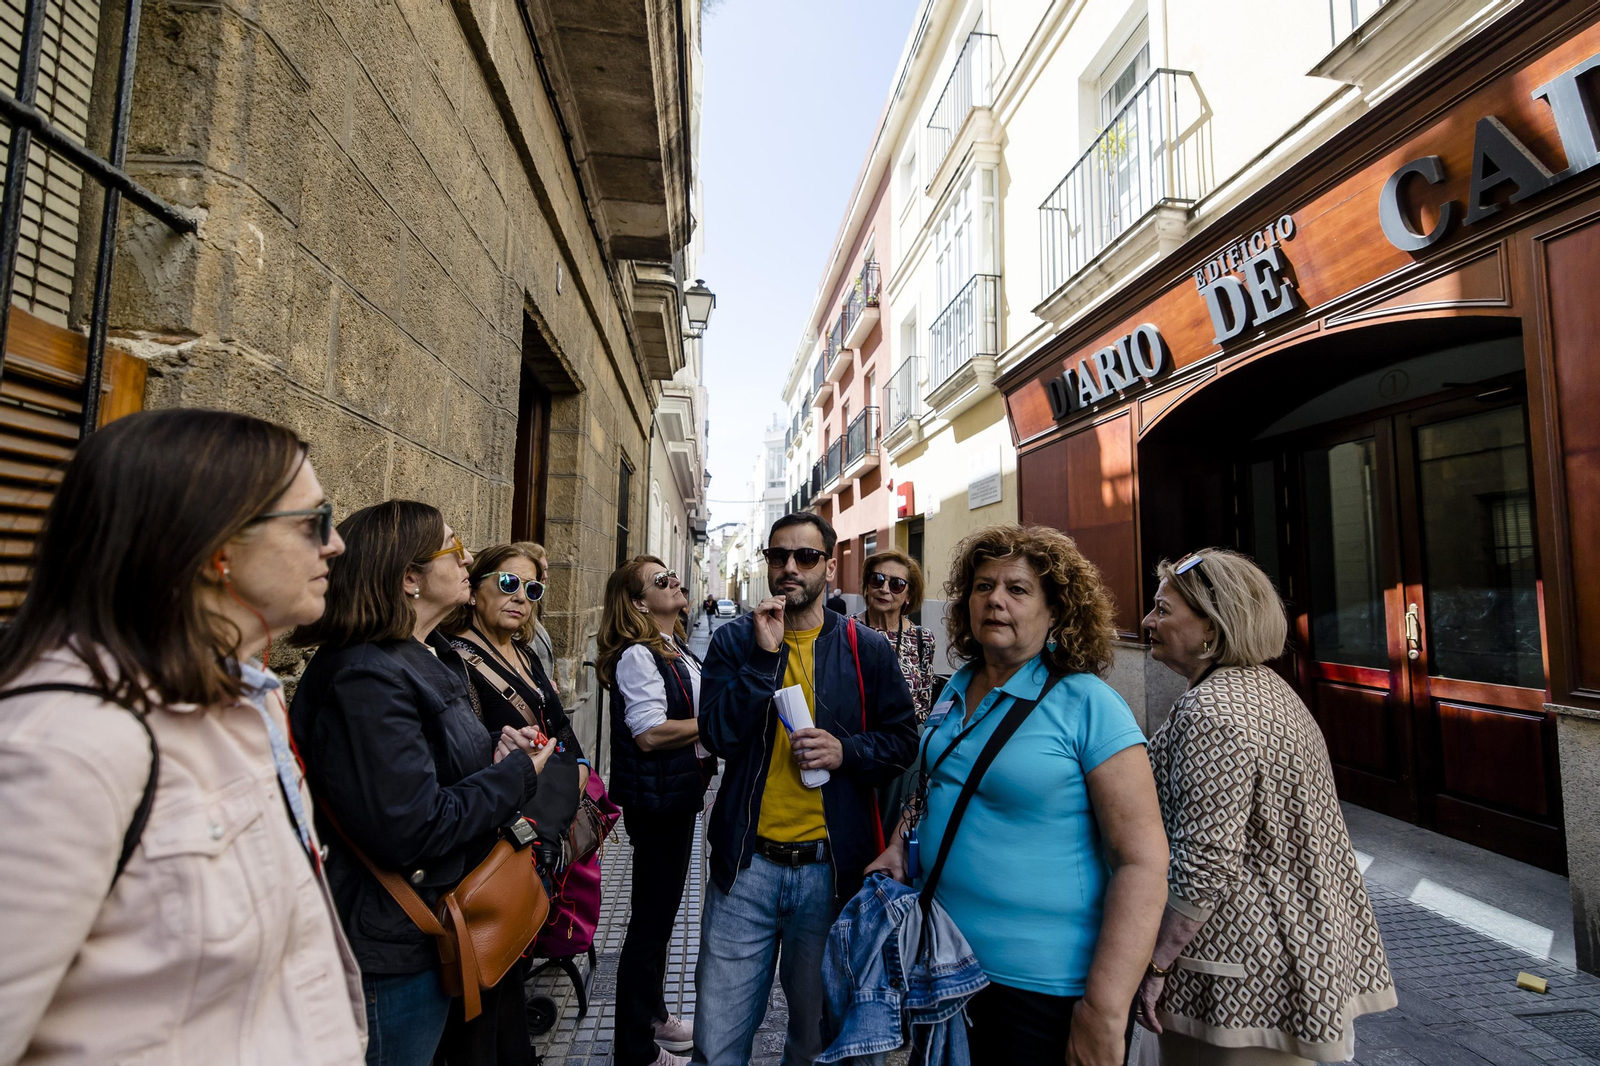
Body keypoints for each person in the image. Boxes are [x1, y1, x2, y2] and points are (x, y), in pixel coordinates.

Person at [0, 408, 365, 1064]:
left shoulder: (240, 706)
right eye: (314, 522)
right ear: (217, 547)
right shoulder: (64, 750)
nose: (334, 544)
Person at [867, 524, 1170, 1066]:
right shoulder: (956, 687)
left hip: (1043, 991)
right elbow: (937, 783)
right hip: (945, 971)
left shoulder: (1089, 705)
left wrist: (1104, 1008)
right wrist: (900, 840)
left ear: (1056, 611)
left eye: (1018, 589)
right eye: (983, 587)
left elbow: (1142, 862)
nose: (995, 600)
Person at [290, 502, 555, 1066]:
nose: (467, 561)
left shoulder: (418, 656)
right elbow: (411, 826)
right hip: (393, 944)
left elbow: (434, 767)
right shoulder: (365, 675)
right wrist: (513, 775)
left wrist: (495, 752)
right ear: (409, 578)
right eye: (452, 550)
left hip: (433, 926)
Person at [1133, 549, 1396, 1065]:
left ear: (1212, 627)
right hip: (1300, 948)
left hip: (1240, 972)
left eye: (1163, 610)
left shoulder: (1210, 713)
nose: (1147, 621)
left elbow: (1204, 865)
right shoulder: (1267, 689)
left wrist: (1156, 966)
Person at [695, 513, 918, 1066]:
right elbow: (719, 734)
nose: (789, 567)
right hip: (744, 872)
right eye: (777, 556)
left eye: (805, 557)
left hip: (830, 875)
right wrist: (764, 658)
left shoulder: (866, 649)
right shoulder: (732, 643)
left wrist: (847, 752)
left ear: (829, 562)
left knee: (818, 1042)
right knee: (716, 1042)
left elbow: (902, 742)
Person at [443, 543, 591, 1057]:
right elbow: (464, 752)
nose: (521, 598)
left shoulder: (525, 653)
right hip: (495, 837)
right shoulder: (455, 659)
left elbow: (564, 731)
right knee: (489, 975)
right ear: (475, 586)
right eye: (508, 584)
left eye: (533, 590)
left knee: (516, 967)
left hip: (541, 828)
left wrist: (579, 769)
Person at [599, 556, 717, 1066]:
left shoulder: (673, 647)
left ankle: (656, 1016)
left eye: (673, 575)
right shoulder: (636, 656)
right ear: (638, 601)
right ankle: (636, 1050)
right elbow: (649, 733)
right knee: (649, 925)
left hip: (677, 796)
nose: (676, 582)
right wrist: (716, 724)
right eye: (660, 580)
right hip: (657, 804)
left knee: (663, 919)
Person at [856, 549, 938, 842]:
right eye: (877, 580)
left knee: (895, 835)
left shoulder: (922, 639)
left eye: (896, 584)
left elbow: (924, 702)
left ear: (908, 595)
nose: (885, 589)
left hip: (905, 753)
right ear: (866, 585)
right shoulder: (846, 631)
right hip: (858, 748)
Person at [512, 540, 560, 691]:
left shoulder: (531, 612)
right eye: (540, 570)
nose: (545, 576)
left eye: (546, 569)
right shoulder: (513, 615)